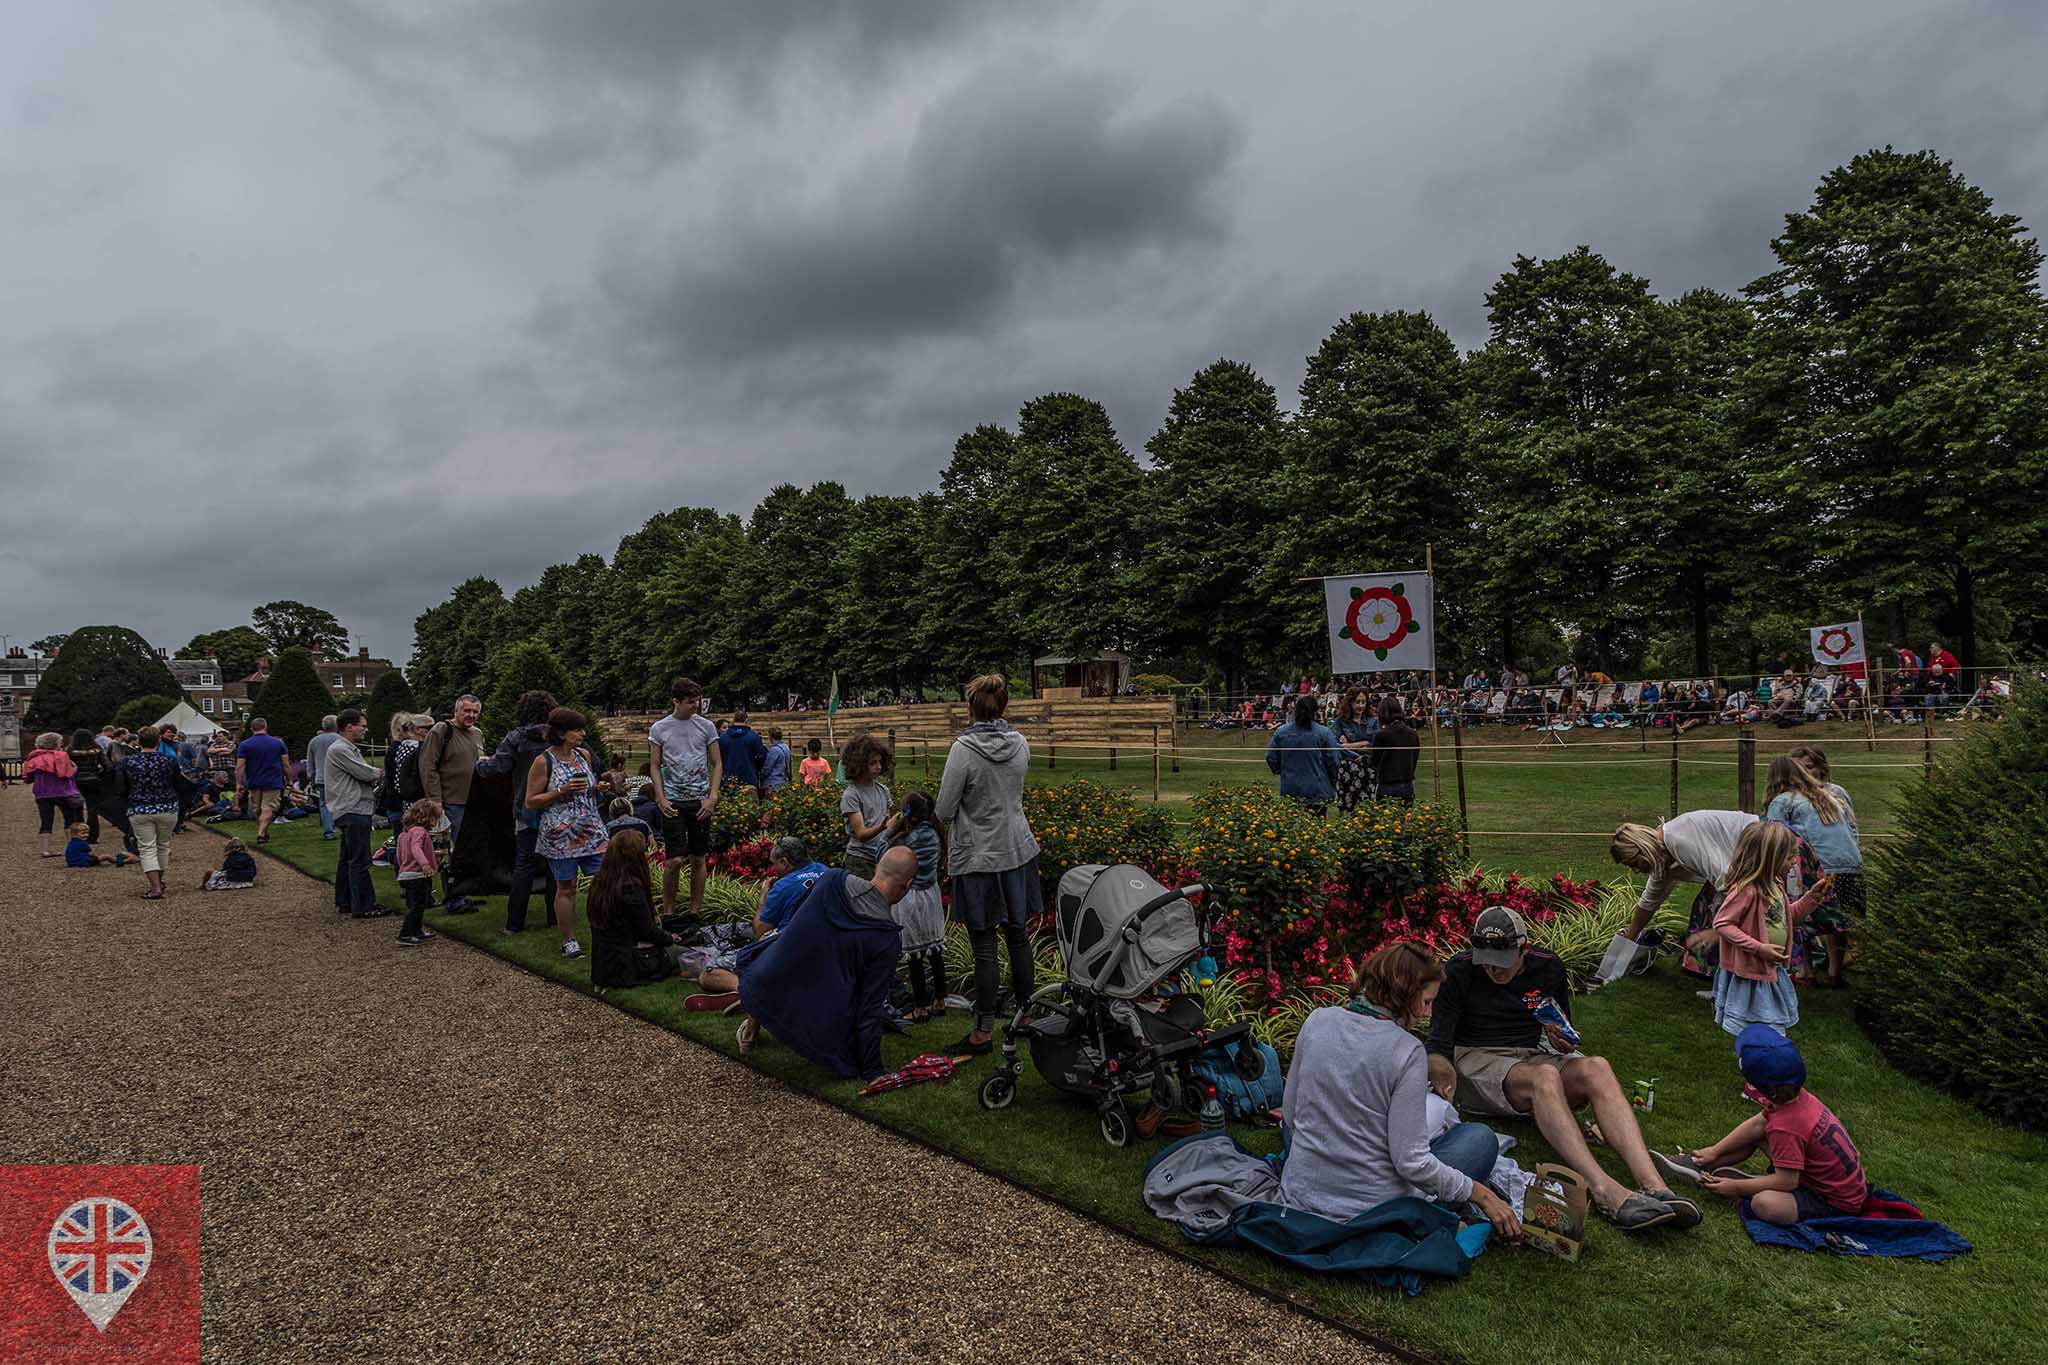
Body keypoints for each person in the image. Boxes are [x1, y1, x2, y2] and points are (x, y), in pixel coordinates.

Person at [1427, 906, 1701, 1232]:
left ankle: (1655, 1186)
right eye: (1484, 959)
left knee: (1596, 1067)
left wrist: (1561, 1039)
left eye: (1501, 962)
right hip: (1477, 1056)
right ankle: (1605, 1192)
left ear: (1524, 949)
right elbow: (1439, 1044)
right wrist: (1440, 1077)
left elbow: (1559, 1022)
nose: (1491, 969)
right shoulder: (1458, 971)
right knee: (1545, 1076)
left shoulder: (1548, 967)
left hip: (1531, 1052)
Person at [1279, 941, 1522, 1241]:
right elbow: (1412, 1162)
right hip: (1374, 1211)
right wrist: (1482, 1195)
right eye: (1427, 1001)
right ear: (1404, 995)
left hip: (1301, 1194)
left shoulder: (1317, 1020)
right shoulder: (1406, 1051)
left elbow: (1290, 1116)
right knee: (1479, 1140)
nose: (1429, 1013)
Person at [1656, 1026, 1871, 1225]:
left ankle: (1753, 1184)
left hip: (1833, 1203)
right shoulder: (1798, 1098)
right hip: (1823, 1180)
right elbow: (1757, 1125)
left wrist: (1737, 1187)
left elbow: (1788, 1181)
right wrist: (1714, 1151)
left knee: (1764, 1204)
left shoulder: (1786, 1126)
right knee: (1758, 1133)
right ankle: (1700, 1166)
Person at [734, 847, 914, 1078]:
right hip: (817, 1029)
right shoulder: (885, 939)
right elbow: (869, 1007)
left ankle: (751, 1027)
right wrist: (873, 1070)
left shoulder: (831, 879)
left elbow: (793, 924)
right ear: (907, 886)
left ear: (877, 867)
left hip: (764, 984)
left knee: (784, 947)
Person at [934, 674, 1040, 1058]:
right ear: (1004, 706)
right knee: (1017, 935)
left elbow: (943, 809)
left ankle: (982, 1032)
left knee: (984, 945)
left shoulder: (963, 749)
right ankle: (1027, 1016)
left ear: (970, 707)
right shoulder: (1021, 743)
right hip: (1015, 849)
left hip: (978, 853)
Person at [1711, 822, 1831, 1036]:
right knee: (1759, 1028)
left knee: (1766, 1027)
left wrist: (1810, 899)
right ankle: (1759, 1056)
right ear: (1769, 859)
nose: (1794, 861)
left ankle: (1759, 1055)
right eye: (1788, 857)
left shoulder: (1776, 885)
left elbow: (1787, 917)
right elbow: (1722, 923)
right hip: (1751, 971)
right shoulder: (1747, 891)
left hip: (1770, 968)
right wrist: (1758, 948)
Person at [1607, 810, 1759, 968]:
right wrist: (1628, 941)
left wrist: (1719, 931)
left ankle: (1743, 974)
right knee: (1708, 908)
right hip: (1742, 868)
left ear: (1643, 849)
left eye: (1634, 864)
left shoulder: (1679, 840)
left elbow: (1729, 883)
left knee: (1713, 908)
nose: (1636, 871)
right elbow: (1649, 902)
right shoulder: (1663, 858)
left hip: (1764, 846)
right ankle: (1722, 979)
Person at [1766, 753, 1861, 989]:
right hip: (1848, 863)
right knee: (1841, 920)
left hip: (1815, 867)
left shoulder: (1783, 801)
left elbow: (1774, 837)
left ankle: (1805, 971)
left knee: (1799, 917)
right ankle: (1834, 973)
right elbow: (1851, 827)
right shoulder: (1832, 794)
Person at [475, 691, 560, 935]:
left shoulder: (518, 738)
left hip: (528, 808)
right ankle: (555, 917)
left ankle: (515, 923)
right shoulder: (559, 736)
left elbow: (495, 768)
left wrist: (481, 763)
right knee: (555, 865)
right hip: (557, 807)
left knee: (524, 865)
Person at [528, 706, 608, 961]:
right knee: (567, 888)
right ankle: (569, 940)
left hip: (591, 830)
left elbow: (588, 788)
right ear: (562, 733)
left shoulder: (583, 754)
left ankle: (604, 932)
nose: (583, 733)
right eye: (578, 729)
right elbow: (531, 801)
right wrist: (561, 790)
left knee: (604, 882)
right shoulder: (543, 761)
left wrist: (599, 788)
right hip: (561, 836)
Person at [647, 677, 722, 920]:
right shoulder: (660, 728)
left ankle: (694, 912)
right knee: (674, 860)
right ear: (676, 701)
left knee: (699, 857)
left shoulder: (706, 726)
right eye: (690, 702)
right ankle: (669, 912)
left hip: (699, 800)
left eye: (697, 700)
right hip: (673, 801)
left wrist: (712, 796)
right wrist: (660, 798)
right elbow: (655, 765)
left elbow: (717, 763)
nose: (696, 705)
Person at [585, 829, 676, 989]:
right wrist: (670, 938)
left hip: (603, 964)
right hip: (627, 964)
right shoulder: (630, 887)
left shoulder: (600, 881)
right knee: (683, 953)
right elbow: (646, 931)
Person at [888, 791, 949, 1022]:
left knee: (914, 955)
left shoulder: (905, 839)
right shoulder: (935, 834)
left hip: (910, 897)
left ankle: (921, 1006)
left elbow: (880, 855)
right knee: (934, 952)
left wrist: (888, 831)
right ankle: (940, 1000)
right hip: (931, 895)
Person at [419, 695, 484, 912]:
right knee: (451, 853)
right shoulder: (441, 730)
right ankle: (453, 900)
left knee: (467, 853)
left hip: (473, 803)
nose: (471, 715)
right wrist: (435, 800)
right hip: (450, 802)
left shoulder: (477, 734)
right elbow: (428, 766)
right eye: (467, 711)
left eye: (475, 711)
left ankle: (463, 894)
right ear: (456, 711)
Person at [325, 709, 386, 920]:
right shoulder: (341, 749)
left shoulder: (346, 748)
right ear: (349, 726)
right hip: (353, 808)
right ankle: (364, 905)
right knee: (360, 859)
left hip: (348, 808)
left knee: (347, 858)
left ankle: (345, 901)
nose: (365, 729)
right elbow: (364, 772)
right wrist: (383, 772)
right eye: (363, 725)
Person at [121, 726, 183, 900]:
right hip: (167, 806)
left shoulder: (128, 762)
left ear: (139, 742)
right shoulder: (169, 760)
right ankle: (158, 882)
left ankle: (155, 886)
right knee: (163, 846)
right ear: (158, 741)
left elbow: (120, 786)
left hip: (139, 807)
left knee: (147, 848)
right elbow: (178, 783)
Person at [1264, 695, 1341, 814]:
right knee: (1317, 828)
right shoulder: (1324, 733)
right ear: (1315, 712)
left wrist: (1282, 770)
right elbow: (1334, 760)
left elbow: (1270, 757)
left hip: (1290, 789)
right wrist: (1332, 779)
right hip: (1317, 791)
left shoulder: (1281, 732)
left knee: (1293, 828)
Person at [838, 733, 893, 879]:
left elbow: (889, 824)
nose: (878, 767)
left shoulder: (883, 790)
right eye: (872, 763)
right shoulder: (851, 795)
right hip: (860, 861)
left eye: (880, 762)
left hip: (880, 857)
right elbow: (861, 834)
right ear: (859, 764)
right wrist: (883, 827)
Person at [394, 797, 444, 945]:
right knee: (417, 906)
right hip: (417, 875)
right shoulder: (419, 832)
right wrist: (425, 864)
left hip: (406, 875)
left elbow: (400, 855)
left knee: (416, 905)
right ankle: (405, 934)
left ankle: (416, 931)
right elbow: (415, 848)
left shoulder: (404, 834)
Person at [25, 732, 83, 858]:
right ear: (54, 743)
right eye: (60, 742)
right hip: (62, 791)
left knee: (46, 821)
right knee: (69, 819)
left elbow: (28, 777)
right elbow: (66, 774)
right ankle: (69, 846)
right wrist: (75, 769)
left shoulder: (33, 757)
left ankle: (45, 850)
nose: (61, 744)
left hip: (42, 793)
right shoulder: (61, 756)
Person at [233, 718, 290, 844]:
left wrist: (239, 783)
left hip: (254, 781)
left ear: (252, 728)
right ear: (266, 727)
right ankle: (262, 833)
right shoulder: (278, 743)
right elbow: (285, 764)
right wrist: (289, 779)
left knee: (257, 809)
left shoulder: (245, 744)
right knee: (268, 808)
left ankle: (262, 833)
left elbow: (239, 767)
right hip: (273, 780)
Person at [1329, 687, 1377, 813]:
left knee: (1368, 809)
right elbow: (1334, 746)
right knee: (1347, 811)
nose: (1360, 705)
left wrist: (1348, 745)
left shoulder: (1373, 721)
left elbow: (1375, 747)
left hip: (1369, 769)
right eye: (1357, 702)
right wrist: (1363, 744)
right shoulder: (1340, 722)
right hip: (1348, 771)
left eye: (1363, 702)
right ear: (1350, 702)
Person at [1368, 697, 1420, 805]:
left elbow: (1375, 761)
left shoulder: (1381, 735)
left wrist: (1364, 758)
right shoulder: (1412, 734)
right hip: (1407, 784)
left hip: (1387, 785)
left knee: (1386, 820)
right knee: (1405, 820)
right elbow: (1414, 759)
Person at [718, 707, 769, 797]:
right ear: (746, 720)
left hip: (728, 778)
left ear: (734, 719)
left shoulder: (723, 737)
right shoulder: (754, 736)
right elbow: (762, 756)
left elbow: (718, 757)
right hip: (749, 778)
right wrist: (756, 768)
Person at [306, 714, 341, 841]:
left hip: (321, 777)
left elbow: (310, 762)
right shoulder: (340, 739)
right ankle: (341, 827)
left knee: (324, 805)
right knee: (340, 803)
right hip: (338, 777)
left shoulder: (314, 741)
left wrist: (311, 777)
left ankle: (328, 831)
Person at [762, 727, 793, 793]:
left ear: (771, 737)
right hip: (783, 780)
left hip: (773, 782)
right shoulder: (786, 747)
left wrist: (762, 776)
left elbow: (768, 768)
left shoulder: (774, 750)